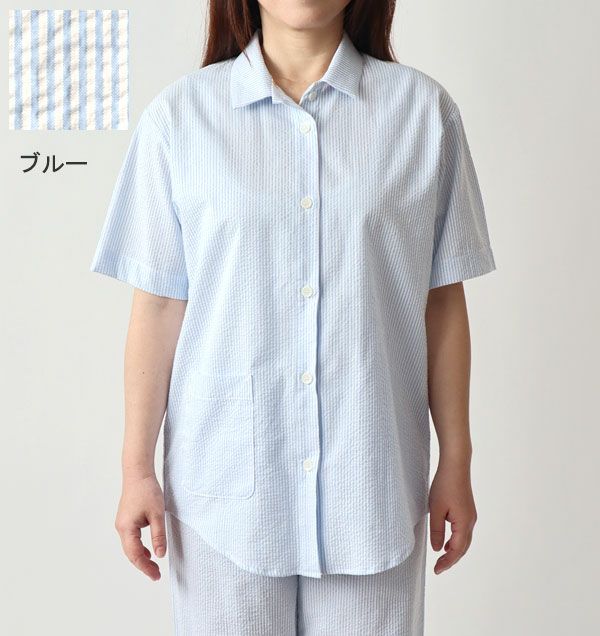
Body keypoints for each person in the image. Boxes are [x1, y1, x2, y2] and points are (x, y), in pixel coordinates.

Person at [89, 1, 497, 633]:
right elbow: (160, 303)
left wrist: (456, 462)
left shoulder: (423, 113)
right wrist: (136, 469)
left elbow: (442, 302)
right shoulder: (181, 117)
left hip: (372, 486)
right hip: (223, 494)